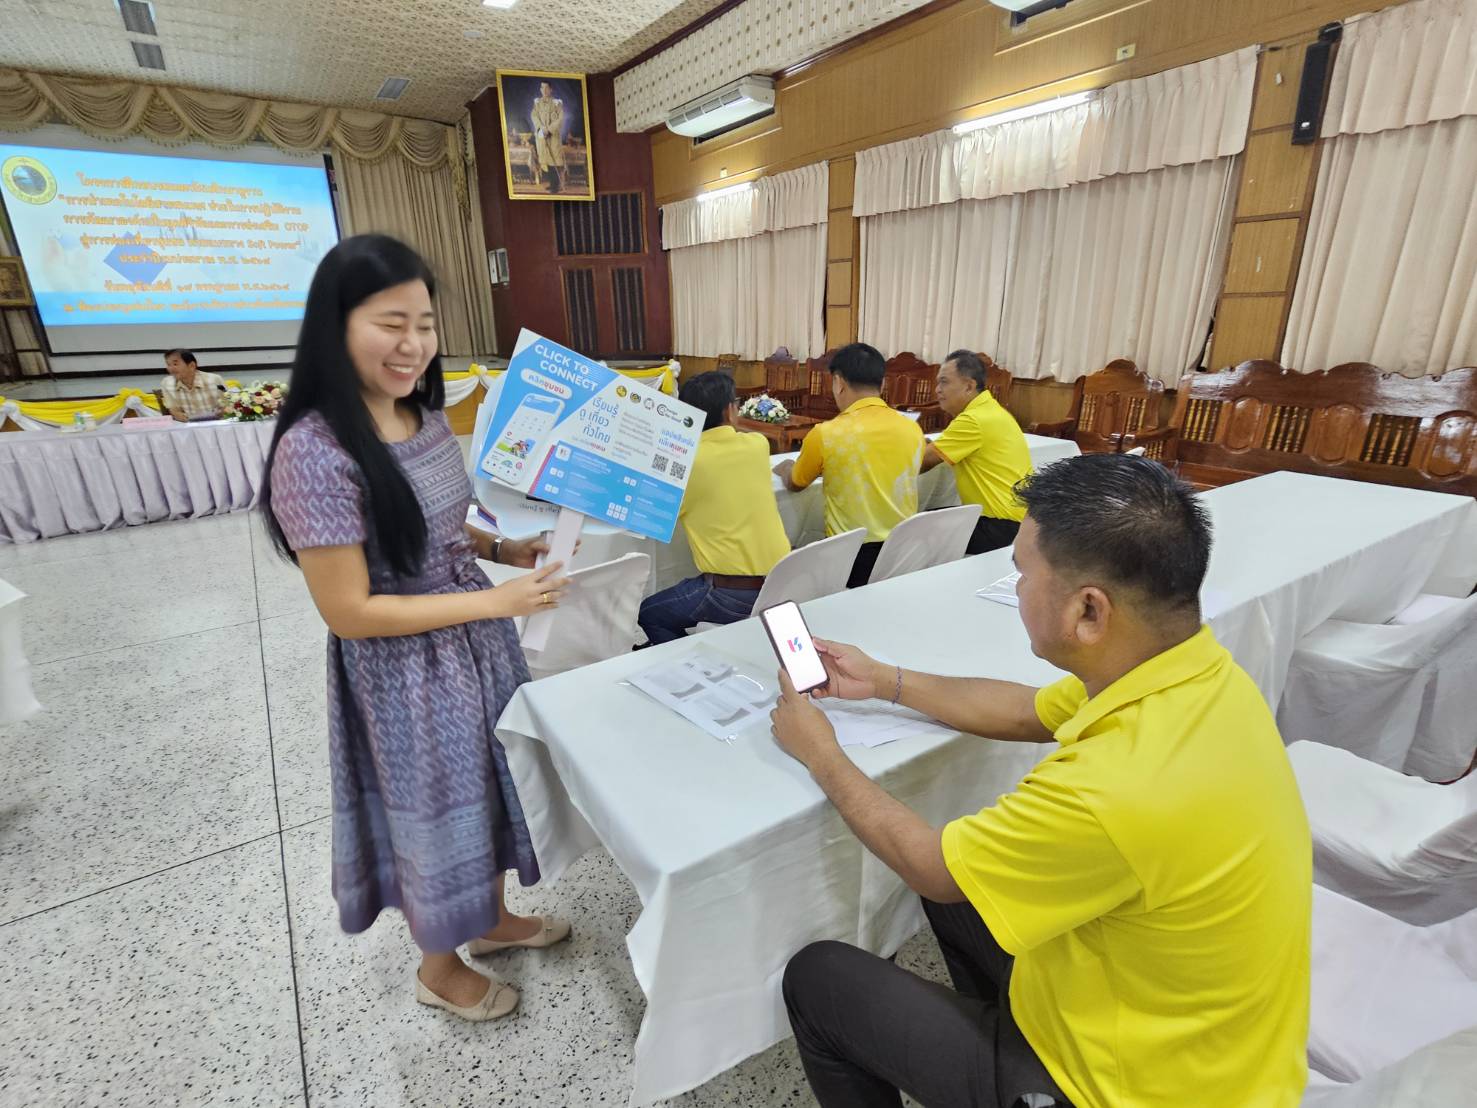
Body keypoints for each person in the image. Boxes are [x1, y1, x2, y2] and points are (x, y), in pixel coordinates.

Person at [771, 453, 1311, 1108]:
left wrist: (821, 754)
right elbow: (1029, 711)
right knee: (968, 888)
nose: (1018, 587)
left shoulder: (1113, 788)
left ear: (1089, 611)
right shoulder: (1196, 673)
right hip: (1200, 1041)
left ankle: (1014, 1079)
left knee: (820, 979)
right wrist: (886, 680)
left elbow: (932, 867)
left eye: (1023, 573)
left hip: (1128, 1088)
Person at [261, 234, 574, 1023]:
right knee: (440, 811)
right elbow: (348, 611)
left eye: (425, 325)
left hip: (475, 641)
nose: (413, 345)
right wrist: (493, 603)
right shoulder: (312, 452)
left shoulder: (423, 416)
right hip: (403, 670)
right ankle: (437, 967)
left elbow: (435, 520)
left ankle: (491, 920)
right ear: (334, 326)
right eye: (390, 324)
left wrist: (500, 550)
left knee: (493, 782)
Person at [638, 371, 790, 644]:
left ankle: (689, 662)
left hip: (730, 594)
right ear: (730, 410)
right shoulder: (758, 444)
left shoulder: (685, 463)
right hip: (781, 582)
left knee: (650, 613)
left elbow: (651, 512)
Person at [773, 343, 923, 588]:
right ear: (882, 384)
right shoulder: (911, 428)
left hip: (851, 558)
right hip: (902, 551)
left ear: (838, 382)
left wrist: (785, 467)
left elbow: (797, 482)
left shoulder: (826, 434)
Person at [921, 350, 1032, 554]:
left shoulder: (972, 420)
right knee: (927, 519)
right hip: (1019, 519)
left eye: (944, 382)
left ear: (969, 386)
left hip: (998, 525)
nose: (937, 390)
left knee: (915, 529)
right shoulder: (991, 410)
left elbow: (920, 463)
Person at [160, 349, 225, 421]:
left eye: (175, 364)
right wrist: (180, 416)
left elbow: (227, 405)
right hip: (188, 424)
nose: (171, 368)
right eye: (168, 364)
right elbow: (174, 410)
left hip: (217, 423)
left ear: (192, 365)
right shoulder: (167, 383)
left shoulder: (214, 380)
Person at [530, 81, 565, 194]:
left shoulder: (557, 103)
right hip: (542, 135)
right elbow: (534, 116)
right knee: (545, 160)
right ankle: (552, 184)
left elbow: (560, 119)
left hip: (553, 136)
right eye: (542, 88)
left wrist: (549, 129)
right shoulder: (537, 103)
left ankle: (556, 185)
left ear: (551, 89)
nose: (544, 90)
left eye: (546, 88)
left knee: (554, 160)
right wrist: (541, 128)